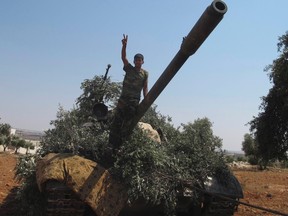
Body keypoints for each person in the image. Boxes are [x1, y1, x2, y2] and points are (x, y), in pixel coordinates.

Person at [109, 34, 149, 150]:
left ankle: (122, 146)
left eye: (139, 60)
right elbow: (123, 58)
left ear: (142, 62)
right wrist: (124, 46)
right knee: (116, 123)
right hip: (123, 100)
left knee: (127, 124)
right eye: (136, 60)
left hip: (133, 102)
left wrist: (146, 99)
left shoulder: (145, 73)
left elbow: (145, 87)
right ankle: (111, 146)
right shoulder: (129, 69)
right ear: (134, 61)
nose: (137, 61)